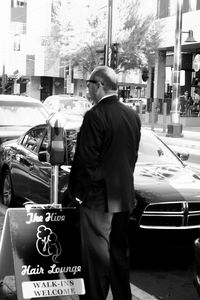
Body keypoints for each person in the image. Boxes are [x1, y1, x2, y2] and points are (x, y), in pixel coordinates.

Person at [66, 65, 141, 300]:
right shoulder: (132, 115)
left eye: (88, 84)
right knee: (119, 255)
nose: (87, 89)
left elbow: (86, 161)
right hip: (124, 196)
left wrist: (76, 195)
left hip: (97, 200)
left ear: (99, 85)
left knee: (95, 259)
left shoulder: (95, 115)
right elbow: (132, 155)